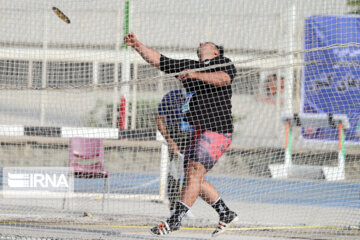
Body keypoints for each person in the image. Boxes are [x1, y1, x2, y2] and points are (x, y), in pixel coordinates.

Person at [125, 33, 238, 237]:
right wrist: (138, 45)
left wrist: (195, 75)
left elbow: (223, 79)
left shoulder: (223, 62)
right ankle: (226, 213)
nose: (200, 43)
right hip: (198, 130)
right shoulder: (188, 66)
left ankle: (175, 219)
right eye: (199, 44)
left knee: (193, 172)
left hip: (217, 128)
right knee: (193, 178)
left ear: (215, 51)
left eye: (206, 43)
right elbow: (159, 60)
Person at [156, 89, 193, 215]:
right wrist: (170, 140)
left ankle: (185, 207)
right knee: (174, 172)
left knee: (192, 174)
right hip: (176, 137)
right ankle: (173, 207)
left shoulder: (200, 95)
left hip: (193, 137)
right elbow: (159, 118)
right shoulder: (171, 96)